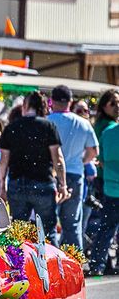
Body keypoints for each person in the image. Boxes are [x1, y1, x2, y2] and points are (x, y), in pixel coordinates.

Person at [0, 91, 67, 229]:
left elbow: (4, 161)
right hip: (43, 183)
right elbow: (57, 158)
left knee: (18, 232)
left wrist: (2, 186)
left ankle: (20, 251)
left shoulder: (11, 127)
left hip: (17, 184)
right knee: (47, 232)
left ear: (25, 105)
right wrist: (62, 184)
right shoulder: (48, 126)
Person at [48, 85, 98, 250]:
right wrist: (81, 161)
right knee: (73, 223)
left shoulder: (47, 121)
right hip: (76, 175)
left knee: (50, 221)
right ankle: (75, 264)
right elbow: (93, 150)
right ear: (70, 101)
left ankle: (50, 262)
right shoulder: (83, 123)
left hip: (52, 174)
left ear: (52, 101)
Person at [88, 120, 119, 276]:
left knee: (106, 228)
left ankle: (97, 264)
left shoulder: (107, 133)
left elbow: (100, 159)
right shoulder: (108, 132)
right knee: (107, 227)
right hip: (111, 188)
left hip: (111, 188)